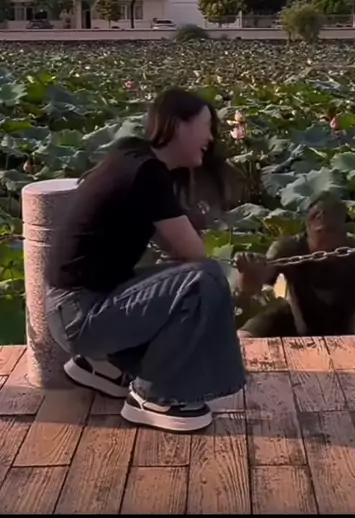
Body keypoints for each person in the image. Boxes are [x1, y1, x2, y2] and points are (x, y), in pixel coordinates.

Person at [45, 88, 246, 433]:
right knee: (205, 279)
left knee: (186, 279)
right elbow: (196, 255)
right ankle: (155, 396)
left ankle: (105, 367)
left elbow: (175, 253)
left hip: (72, 308)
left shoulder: (130, 155)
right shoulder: (147, 173)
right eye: (207, 126)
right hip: (81, 316)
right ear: (178, 125)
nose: (211, 138)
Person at [237, 196, 355, 342]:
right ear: (308, 229)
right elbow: (251, 288)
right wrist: (249, 271)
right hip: (293, 323)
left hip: (338, 332)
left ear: (344, 231)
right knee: (246, 335)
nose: (328, 242)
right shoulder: (288, 249)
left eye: (334, 232)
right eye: (321, 233)